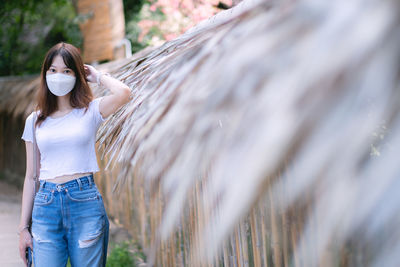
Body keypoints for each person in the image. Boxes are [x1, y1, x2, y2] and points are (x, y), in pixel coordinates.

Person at [17, 42, 131, 266]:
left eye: (67, 71)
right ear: (45, 74)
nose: (59, 76)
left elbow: (124, 93)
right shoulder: (35, 120)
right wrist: (23, 229)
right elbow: (31, 176)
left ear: (77, 75)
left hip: (84, 201)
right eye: (53, 70)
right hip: (46, 205)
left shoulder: (91, 111)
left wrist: (98, 76)